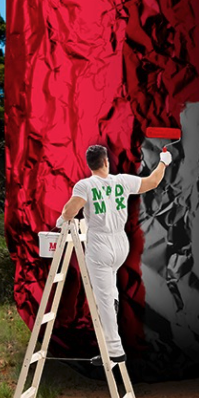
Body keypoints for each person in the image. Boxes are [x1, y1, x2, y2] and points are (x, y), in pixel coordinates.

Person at [57, 143, 168, 366]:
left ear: (90, 165)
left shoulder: (85, 185)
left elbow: (71, 209)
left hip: (99, 244)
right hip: (121, 243)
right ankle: (115, 301)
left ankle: (114, 351)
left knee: (103, 300)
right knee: (110, 287)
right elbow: (153, 181)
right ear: (106, 161)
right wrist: (164, 161)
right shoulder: (122, 180)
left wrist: (62, 219)